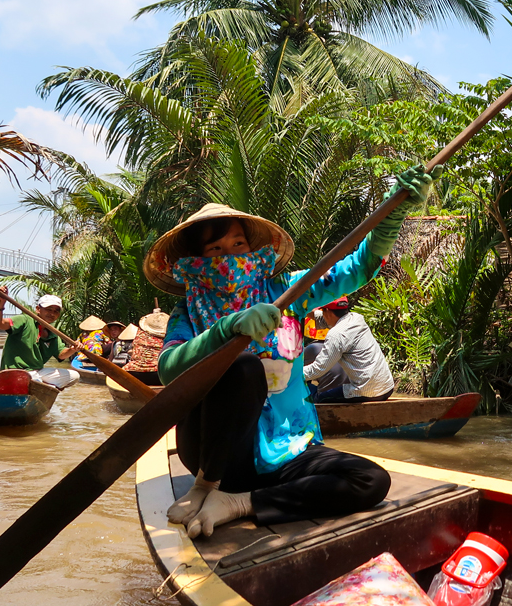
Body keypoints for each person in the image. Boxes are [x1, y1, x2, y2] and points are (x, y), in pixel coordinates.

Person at [149, 165, 434, 540]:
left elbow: (358, 268)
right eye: (215, 249)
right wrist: (226, 329)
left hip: (285, 447)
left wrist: (393, 211)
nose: (229, 255)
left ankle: (239, 502)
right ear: (197, 259)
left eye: (238, 245)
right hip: (212, 452)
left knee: (370, 479)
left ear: (252, 249)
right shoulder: (188, 310)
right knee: (245, 368)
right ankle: (207, 486)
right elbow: (168, 369)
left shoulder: (285, 290)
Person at [302, 297, 395, 403]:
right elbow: (321, 317)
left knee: (320, 398)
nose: (321, 314)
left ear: (327, 311)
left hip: (367, 392)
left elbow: (318, 369)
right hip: (387, 387)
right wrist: (301, 308)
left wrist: (289, 375)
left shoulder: (336, 335)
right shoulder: (357, 318)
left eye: (322, 311)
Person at [0, 290, 80, 373]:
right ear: (38, 309)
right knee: (36, 380)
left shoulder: (53, 333)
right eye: (49, 309)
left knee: (73, 375)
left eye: (56, 311)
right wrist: (1, 304)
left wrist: (72, 349)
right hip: (16, 371)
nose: (52, 314)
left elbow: (61, 354)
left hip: (37, 371)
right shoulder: (24, 320)